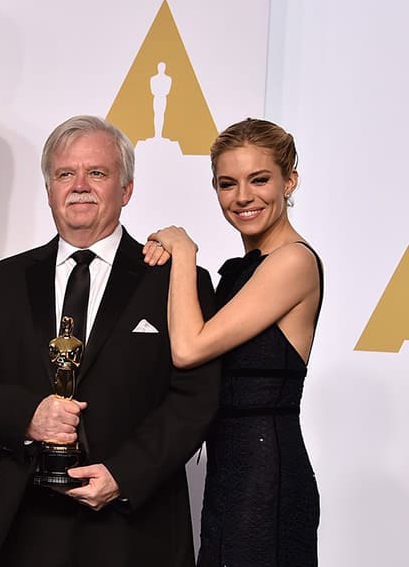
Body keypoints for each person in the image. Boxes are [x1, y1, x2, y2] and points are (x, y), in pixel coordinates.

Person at [0, 114, 221, 567]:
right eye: (64, 174)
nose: (79, 185)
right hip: (16, 519)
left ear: (126, 189)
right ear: (49, 189)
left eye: (97, 173)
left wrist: (123, 475)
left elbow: (195, 397)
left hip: (132, 521)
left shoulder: (175, 280)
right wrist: (28, 416)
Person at [145, 118, 322, 566]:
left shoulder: (293, 262)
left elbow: (189, 349)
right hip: (233, 469)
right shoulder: (249, 266)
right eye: (228, 183)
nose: (243, 196)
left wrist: (183, 252)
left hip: (268, 473)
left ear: (290, 180)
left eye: (259, 179)